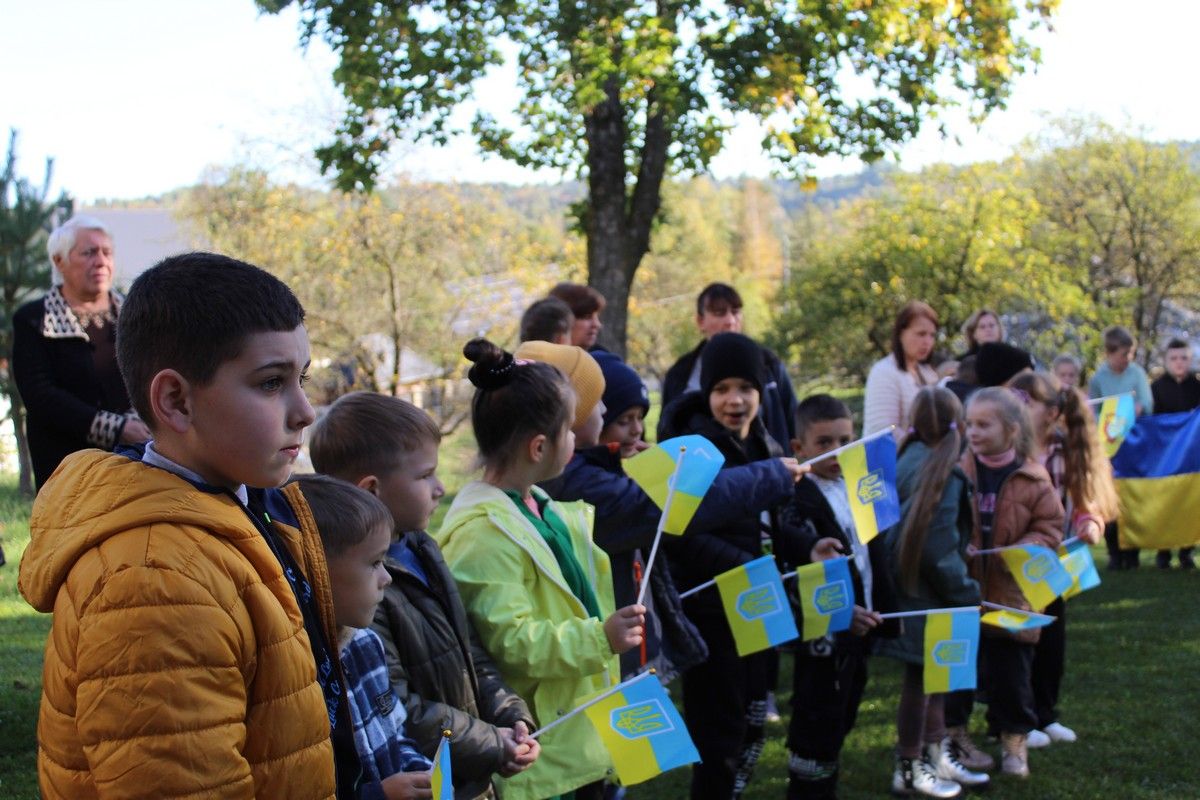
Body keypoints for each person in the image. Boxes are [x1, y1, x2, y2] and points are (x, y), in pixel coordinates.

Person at [18, 253, 341, 799]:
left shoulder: (249, 506)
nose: (306, 411)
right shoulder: (155, 584)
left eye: (302, 378)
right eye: (271, 383)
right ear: (175, 401)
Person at [436, 338, 646, 800]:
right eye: (568, 431)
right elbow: (511, 641)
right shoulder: (484, 534)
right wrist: (601, 639)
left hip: (575, 730)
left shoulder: (538, 504)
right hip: (539, 745)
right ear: (538, 447)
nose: (575, 439)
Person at [309, 392, 540, 798]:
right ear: (372, 490)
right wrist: (490, 742)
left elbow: (469, 649)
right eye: (425, 475)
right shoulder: (358, 591)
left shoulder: (422, 548)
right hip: (430, 779)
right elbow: (400, 708)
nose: (441, 487)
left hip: (468, 771)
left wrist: (508, 714)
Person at [535, 345, 805, 681]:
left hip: (622, 651)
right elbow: (674, 504)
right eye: (598, 402)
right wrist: (770, 476)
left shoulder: (591, 472)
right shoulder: (577, 483)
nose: (603, 408)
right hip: (608, 660)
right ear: (570, 417)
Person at [657, 332, 799, 800]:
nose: (734, 400)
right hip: (710, 614)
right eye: (721, 389)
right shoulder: (692, 451)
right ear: (706, 393)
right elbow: (677, 534)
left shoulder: (766, 444)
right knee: (717, 737)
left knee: (750, 726)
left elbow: (776, 522)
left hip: (758, 605)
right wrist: (744, 564)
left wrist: (808, 545)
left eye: (745, 388)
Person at [779, 394, 899, 800]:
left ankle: (824, 779)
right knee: (817, 714)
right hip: (823, 631)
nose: (836, 451)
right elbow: (798, 572)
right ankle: (807, 786)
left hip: (860, 625)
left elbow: (871, 554)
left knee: (845, 708)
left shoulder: (859, 487)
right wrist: (842, 611)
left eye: (846, 441)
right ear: (800, 448)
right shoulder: (796, 500)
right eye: (825, 442)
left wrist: (880, 604)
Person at [295, 474, 435, 800]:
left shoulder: (366, 643)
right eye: (374, 563)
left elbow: (395, 734)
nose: (387, 578)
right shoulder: (296, 675)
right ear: (315, 571)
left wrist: (424, 775)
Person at [950, 387, 1065, 779]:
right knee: (957, 671)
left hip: (1011, 595)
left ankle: (1014, 740)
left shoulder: (1033, 478)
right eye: (969, 424)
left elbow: (1051, 526)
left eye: (984, 424)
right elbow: (941, 518)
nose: (973, 432)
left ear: (1012, 430)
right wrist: (956, 544)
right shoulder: (957, 471)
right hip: (963, 591)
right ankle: (954, 734)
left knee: (1012, 675)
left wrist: (1026, 547)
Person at [875, 387, 983, 798]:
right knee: (922, 681)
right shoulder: (944, 472)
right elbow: (936, 551)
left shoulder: (903, 461)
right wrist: (966, 590)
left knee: (936, 675)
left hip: (910, 590)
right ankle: (908, 766)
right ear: (958, 426)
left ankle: (936, 756)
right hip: (927, 594)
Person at [1009, 372, 1118, 746]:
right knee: (1016, 645)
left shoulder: (1066, 448)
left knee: (1051, 641)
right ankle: (1016, 720)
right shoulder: (1008, 447)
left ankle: (1045, 713)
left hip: (1054, 561)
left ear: (1052, 411)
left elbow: (1085, 499)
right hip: (1013, 559)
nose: (1017, 407)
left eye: (1027, 400)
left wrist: (1090, 522)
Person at [12, 215, 151, 490]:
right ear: (59, 261)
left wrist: (141, 423)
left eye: (107, 252)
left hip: (137, 460)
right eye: (89, 253)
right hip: (67, 468)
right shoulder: (35, 320)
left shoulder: (136, 314)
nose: (101, 261)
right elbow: (40, 395)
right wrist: (115, 429)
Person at [661, 282, 798, 453]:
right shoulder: (680, 373)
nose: (730, 321)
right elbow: (667, 430)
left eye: (735, 312)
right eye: (719, 313)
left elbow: (793, 423)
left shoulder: (769, 364)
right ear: (700, 321)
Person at [1088, 326, 1152, 569]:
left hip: (1134, 444)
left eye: (1130, 353)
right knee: (1110, 497)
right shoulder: (1098, 379)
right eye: (1123, 354)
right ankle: (1114, 551)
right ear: (1110, 353)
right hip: (1109, 447)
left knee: (1133, 496)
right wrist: (1108, 421)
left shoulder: (1137, 373)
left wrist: (1136, 409)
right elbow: (1093, 411)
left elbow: (1146, 402)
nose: (1127, 359)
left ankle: (1133, 551)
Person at [1150, 338, 1200, 570]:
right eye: (1174, 358)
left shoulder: (1197, 387)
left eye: (1183, 358)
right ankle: (1163, 552)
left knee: (1190, 504)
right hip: (1165, 458)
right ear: (1166, 361)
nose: (1179, 362)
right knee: (1166, 504)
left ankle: (1186, 552)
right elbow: (1151, 422)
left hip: (1192, 460)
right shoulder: (1156, 388)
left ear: (1190, 360)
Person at [863, 301, 939, 440]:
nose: (927, 342)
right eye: (921, 334)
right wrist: (921, 448)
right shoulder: (884, 372)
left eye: (932, 335)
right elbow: (883, 430)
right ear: (901, 333)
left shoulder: (928, 373)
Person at [549, 282, 604, 349]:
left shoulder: (602, 355)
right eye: (587, 317)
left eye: (597, 317)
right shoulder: (538, 353)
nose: (597, 324)